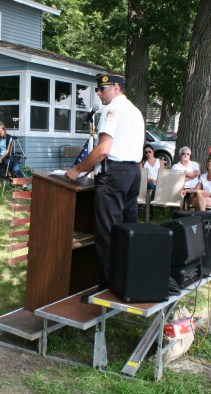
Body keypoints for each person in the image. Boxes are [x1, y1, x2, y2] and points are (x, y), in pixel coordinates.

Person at [64, 73, 144, 297]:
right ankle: (128, 278)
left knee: (107, 232)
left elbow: (103, 149)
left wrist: (76, 170)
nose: (99, 93)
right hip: (133, 173)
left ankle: (107, 287)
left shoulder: (112, 110)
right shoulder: (135, 111)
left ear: (116, 87)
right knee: (127, 229)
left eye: (102, 89)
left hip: (113, 175)